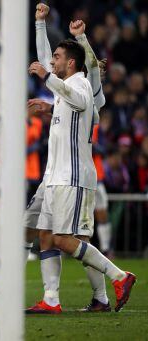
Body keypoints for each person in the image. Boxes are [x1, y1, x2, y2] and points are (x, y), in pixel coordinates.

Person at [26, 22, 135, 314]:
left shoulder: (81, 84)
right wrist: (39, 23)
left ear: (72, 62)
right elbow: (52, 65)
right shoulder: (64, 90)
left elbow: (80, 95)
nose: (52, 62)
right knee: (49, 235)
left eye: (58, 59)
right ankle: (57, 300)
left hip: (72, 176)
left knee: (64, 239)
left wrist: (80, 39)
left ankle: (120, 277)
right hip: (57, 176)